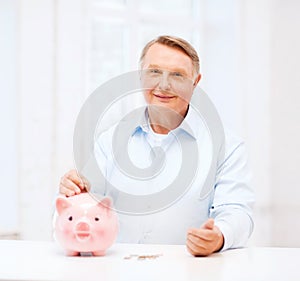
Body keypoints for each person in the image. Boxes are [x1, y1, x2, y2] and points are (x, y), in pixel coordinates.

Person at [59, 35, 254, 256]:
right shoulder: (110, 139)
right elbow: (88, 207)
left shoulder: (227, 146)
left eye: (178, 75)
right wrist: (74, 194)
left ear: (195, 83)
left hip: (190, 272)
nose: (163, 85)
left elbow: (237, 212)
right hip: (119, 270)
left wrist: (219, 236)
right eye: (154, 72)